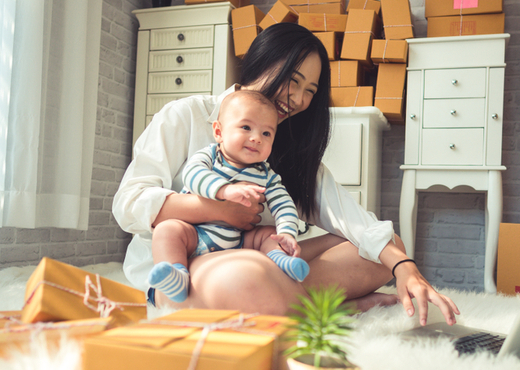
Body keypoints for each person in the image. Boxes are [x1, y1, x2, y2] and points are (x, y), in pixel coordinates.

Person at [113, 22, 460, 326]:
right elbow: (128, 204)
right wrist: (218, 210)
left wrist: (406, 269)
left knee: (386, 248)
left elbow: (356, 222)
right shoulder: (187, 115)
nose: (297, 98)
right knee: (249, 272)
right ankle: (329, 307)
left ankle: (275, 301)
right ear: (260, 62)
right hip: (187, 265)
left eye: (310, 90)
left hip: (256, 258)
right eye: (292, 81)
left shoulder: (290, 150)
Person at [147, 90, 309, 303]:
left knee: (269, 234)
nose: (256, 138)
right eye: (246, 128)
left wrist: (287, 233)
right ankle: (177, 275)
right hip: (196, 234)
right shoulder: (211, 156)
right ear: (219, 131)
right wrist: (224, 190)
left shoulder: (266, 174)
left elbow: (284, 203)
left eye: (266, 134)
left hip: (239, 240)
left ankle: (281, 260)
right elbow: (193, 174)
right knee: (167, 230)